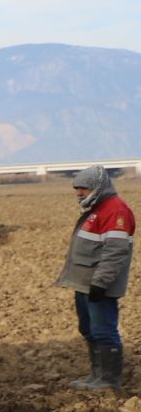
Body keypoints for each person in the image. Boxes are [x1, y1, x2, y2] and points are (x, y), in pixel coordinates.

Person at [55, 164, 133, 390]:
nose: (79, 192)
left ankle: (108, 381)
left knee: (103, 331)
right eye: (77, 188)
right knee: (88, 329)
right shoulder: (97, 208)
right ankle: (96, 376)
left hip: (98, 285)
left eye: (84, 188)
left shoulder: (115, 211)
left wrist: (100, 282)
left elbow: (115, 251)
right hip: (84, 283)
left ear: (98, 187)